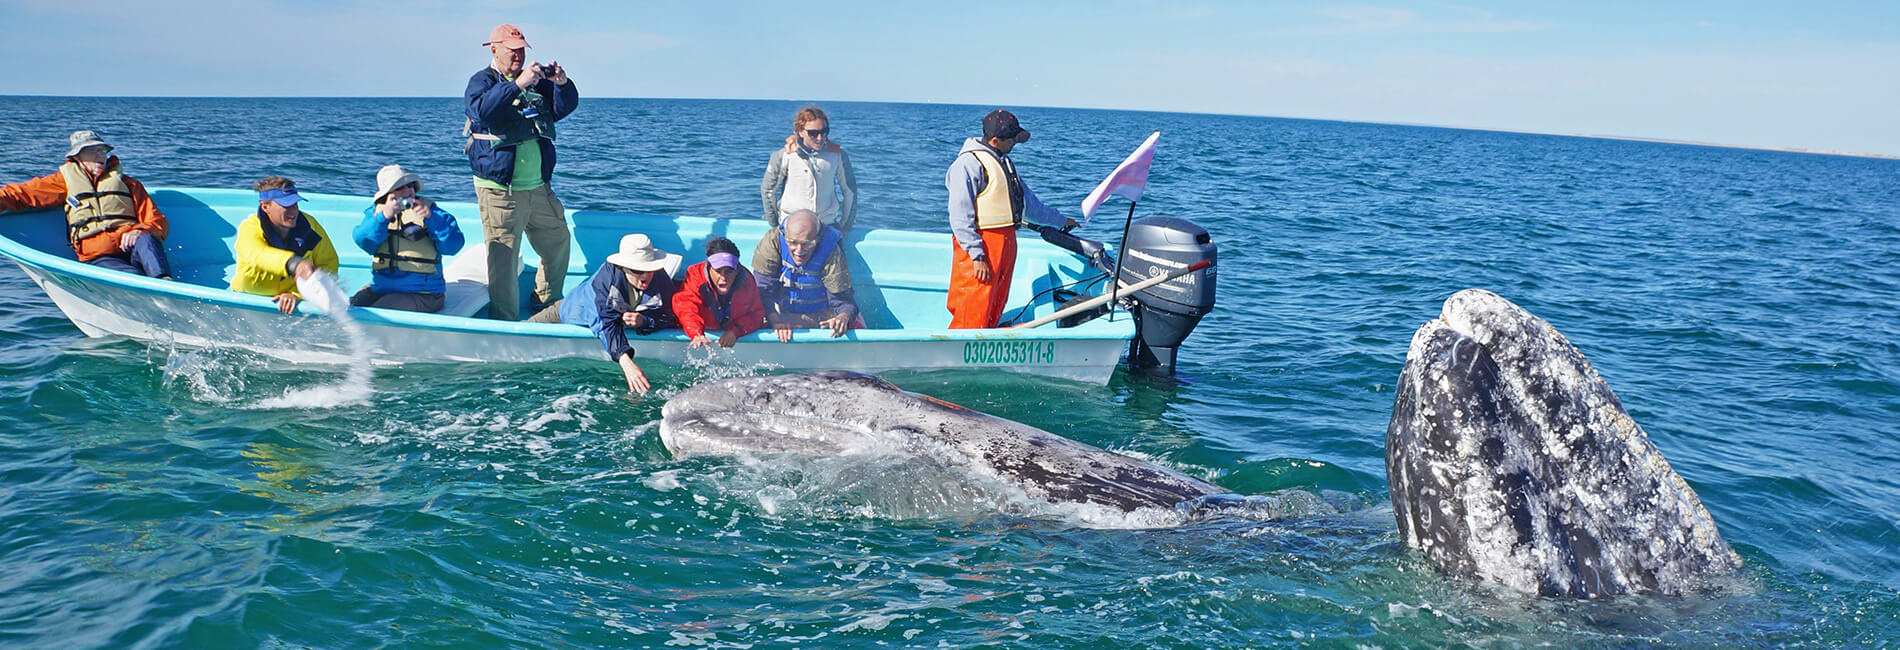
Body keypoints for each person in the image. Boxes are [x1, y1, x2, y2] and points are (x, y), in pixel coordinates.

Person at [465, 23, 580, 321]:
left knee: (558, 241)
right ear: (494, 50)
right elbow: (483, 112)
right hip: (500, 191)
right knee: (502, 259)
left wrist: (562, 83)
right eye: (512, 50)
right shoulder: (481, 82)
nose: (518, 56)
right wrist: (516, 85)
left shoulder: (535, 82)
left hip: (538, 187)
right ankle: (505, 321)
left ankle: (545, 301)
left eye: (521, 50)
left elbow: (562, 108)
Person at [944, 109, 1078, 329]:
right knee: (975, 297)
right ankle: (963, 341)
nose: (1015, 144)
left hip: (1005, 242)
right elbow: (960, 215)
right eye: (1012, 140)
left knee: (996, 296)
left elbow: (1030, 205)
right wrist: (977, 256)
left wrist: (1060, 220)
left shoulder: (1004, 162)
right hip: (982, 243)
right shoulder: (967, 165)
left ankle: (989, 331)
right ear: (996, 140)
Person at [0, 130, 172, 279]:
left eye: (102, 150)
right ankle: (147, 292)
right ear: (76, 157)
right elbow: (19, 194)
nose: (100, 156)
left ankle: (164, 283)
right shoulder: (63, 182)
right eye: (91, 151)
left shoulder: (129, 184)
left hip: (133, 248)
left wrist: (140, 231)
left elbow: (157, 222)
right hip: (100, 257)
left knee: (147, 239)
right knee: (132, 277)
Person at [528, 234, 680, 395]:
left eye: (650, 269)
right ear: (624, 267)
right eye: (638, 270)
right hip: (568, 311)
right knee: (527, 327)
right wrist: (626, 362)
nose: (645, 276)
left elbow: (669, 315)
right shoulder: (604, 282)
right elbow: (604, 324)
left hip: (607, 321)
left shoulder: (660, 277)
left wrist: (644, 321)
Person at [349, 164, 466, 313]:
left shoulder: (432, 211)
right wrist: (383, 217)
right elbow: (364, 241)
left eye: (409, 185)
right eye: (399, 188)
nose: (407, 191)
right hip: (382, 288)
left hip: (424, 294)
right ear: (387, 195)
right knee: (351, 307)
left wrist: (431, 218)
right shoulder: (376, 214)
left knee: (379, 311)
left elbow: (453, 246)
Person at [231, 176, 340, 315]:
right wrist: (294, 264)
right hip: (248, 298)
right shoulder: (249, 228)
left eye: (295, 204)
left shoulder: (310, 226)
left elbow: (328, 264)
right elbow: (259, 255)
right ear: (265, 207)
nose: (294, 211)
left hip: (292, 299)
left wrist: (297, 295)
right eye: (286, 205)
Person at [751, 209, 856, 341]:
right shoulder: (773, 242)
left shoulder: (831, 251)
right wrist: (775, 320)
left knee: (849, 322)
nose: (799, 250)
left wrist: (843, 317)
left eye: (807, 244)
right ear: (785, 236)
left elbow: (844, 300)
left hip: (820, 315)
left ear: (817, 240)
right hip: (779, 312)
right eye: (793, 242)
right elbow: (762, 291)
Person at [761, 105, 858, 231]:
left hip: (826, 226)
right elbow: (768, 190)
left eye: (824, 132)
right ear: (800, 131)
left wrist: (845, 227)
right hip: (791, 227)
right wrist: (774, 223)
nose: (820, 138)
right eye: (813, 133)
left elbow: (850, 192)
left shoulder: (838, 155)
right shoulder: (784, 155)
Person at [673, 237, 765, 349]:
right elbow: (686, 307)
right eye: (717, 271)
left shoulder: (746, 279)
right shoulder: (695, 275)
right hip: (700, 333)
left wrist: (735, 331)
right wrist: (696, 333)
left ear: (737, 271)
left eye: (729, 271)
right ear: (709, 268)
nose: (723, 277)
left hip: (729, 332)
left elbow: (756, 315)